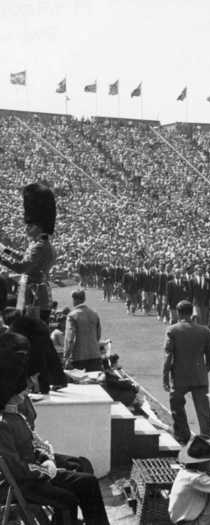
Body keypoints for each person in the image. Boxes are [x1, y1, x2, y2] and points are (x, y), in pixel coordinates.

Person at [0, 331, 109, 524]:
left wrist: (43, 457)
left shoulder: (13, 416)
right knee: (77, 491)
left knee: (82, 477)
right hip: (28, 482)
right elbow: (18, 469)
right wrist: (45, 469)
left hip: (34, 474)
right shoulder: (5, 423)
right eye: (23, 389)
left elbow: (30, 447)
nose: (27, 391)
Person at [0, 183, 57, 322]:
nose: (27, 228)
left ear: (38, 226)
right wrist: (5, 250)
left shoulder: (40, 245)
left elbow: (23, 266)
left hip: (34, 295)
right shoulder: (39, 243)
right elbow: (25, 258)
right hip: (31, 290)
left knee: (28, 328)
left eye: (30, 225)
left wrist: (1, 259)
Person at [163, 300, 210, 444]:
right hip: (199, 377)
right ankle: (207, 439)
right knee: (203, 411)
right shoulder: (204, 330)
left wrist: (165, 377)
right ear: (192, 312)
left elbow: (168, 356)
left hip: (179, 377)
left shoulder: (172, 330)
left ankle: (183, 436)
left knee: (177, 406)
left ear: (178, 313)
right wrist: (204, 370)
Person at [63, 289, 102, 372]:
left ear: (75, 299)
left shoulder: (72, 316)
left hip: (79, 357)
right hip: (95, 355)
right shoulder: (94, 314)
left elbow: (70, 339)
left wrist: (66, 356)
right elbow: (98, 335)